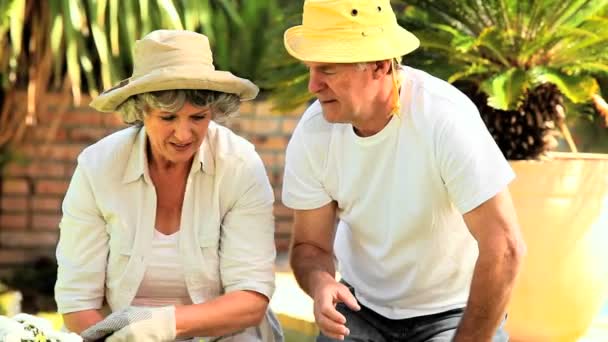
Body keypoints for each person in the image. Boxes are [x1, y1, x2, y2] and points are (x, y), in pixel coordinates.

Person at [281, 1, 527, 341]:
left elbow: (505, 247)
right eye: (310, 69)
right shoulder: (313, 133)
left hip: (453, 313)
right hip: (359, 309)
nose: (313, 85)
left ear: (381, 67)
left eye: (328, 70)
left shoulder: (444, 118)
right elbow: (309, 246)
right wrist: (320, 281)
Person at [54, 29, 283, 342]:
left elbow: (250, 299)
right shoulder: (98, 167)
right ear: (141, 111)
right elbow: (77, 301)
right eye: (168, 117)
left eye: (198, 117)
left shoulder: (240, 165)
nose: (184, 134)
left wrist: (157, 324)